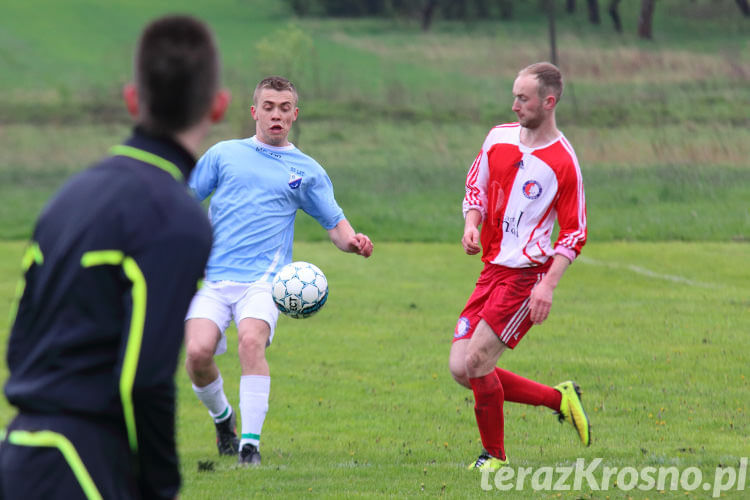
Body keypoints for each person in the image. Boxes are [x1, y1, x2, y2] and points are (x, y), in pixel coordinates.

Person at [0, 15, 230, 499]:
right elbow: (143, 380)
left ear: (132, 99)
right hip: (85, 470)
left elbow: (19, 347)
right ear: (218, 106)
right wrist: (160, 486)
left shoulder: (69, 196)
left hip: (19, 455)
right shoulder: (177, 218)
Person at [184, 75, 373, 466]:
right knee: (198, 354)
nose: (276, 115)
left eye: (284, 108)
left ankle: (249, 447)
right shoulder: (223, 154)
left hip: (264, 281)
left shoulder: (307, 170)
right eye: (268, 107)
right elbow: (183, 199)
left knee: (250, 342)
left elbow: (337, 227)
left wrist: (354, 242)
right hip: (215, 278)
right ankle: (224, 421)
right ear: (254, 112)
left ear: (294, 116)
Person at [450, 62, 591, 471]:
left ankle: (494, 457)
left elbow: (574, 232)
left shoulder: (563, 161)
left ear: (548, 102)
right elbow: (476, 184)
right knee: (462, 368)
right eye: (513, 96)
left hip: (525, 276)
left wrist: (547, 286)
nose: (514, 105)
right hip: (491, 269)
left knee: (477, 363)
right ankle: (558, 398)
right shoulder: (498, 138)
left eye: (523, 98)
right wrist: (472, 224)